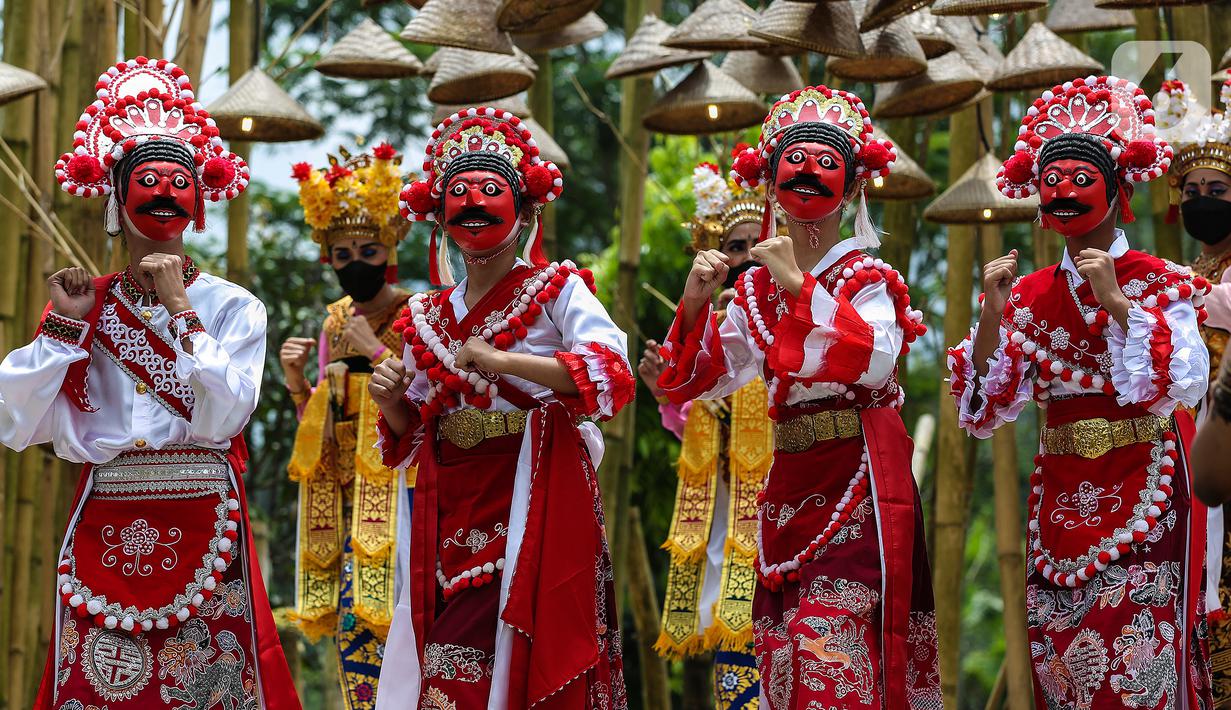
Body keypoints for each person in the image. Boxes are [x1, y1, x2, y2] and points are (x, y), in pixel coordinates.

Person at [0, 57, 299, 709]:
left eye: (177, 180)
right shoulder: (82, 306)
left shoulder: (233, 307)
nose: (163, 191)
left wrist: (182, 313)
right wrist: (64, 331)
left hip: (205, 515)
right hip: (105, 514)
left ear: (199, 195)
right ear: (115, 194)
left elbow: (225, 419)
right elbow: (16, 424)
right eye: (146, 179)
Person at [656, 85, 938, 710]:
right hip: (786, 490)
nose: (808, 171)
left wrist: (793, 280)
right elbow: (694, 383)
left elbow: (875, 360)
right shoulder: (751, 292)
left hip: (859, 480)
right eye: (795, 159)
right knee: (783, 661)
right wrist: (697, 302)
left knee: (832, 654)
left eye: (825, 160)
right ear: (769, 180)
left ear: (854, 184)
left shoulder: (870, 279)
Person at [949, 74, 1213, 709]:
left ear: (1118, 190)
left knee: (1140, 661)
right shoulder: (1030, 294)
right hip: (1060, 496)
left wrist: (1119, 305)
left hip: (1146, 487)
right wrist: (990, 318)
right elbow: (988, 405)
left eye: (1079, 177)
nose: (1063, 191)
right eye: (1052, 179)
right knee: (1065, 662)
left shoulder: (1160, 282)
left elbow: (1185, 381)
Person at [369, 107, 635, 709]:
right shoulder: (424, 315)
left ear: (526, 211)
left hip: (531, 492)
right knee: (448, 649)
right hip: (449, 503)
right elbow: (412, 431)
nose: (474, 204)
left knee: (514, 642)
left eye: (492, 191)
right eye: (458, 193)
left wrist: (509, 363)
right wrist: (390, 404)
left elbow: (608, 370)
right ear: (438, 216)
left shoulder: (557, 289)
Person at [281, 144, 414, 709]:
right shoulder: (334, 318)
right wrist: (295, 382)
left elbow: (428, 408)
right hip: (342, 503)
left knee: (401, 624)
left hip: (403, 499)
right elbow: (319, 428)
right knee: (353, 627)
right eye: (342, 252)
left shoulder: (417, 313)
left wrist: (372, 351)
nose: (354, 260)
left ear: (390, 248)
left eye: (368, 249)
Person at [639, 159, 772, 710]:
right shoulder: (706, 329)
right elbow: (691, 429)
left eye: (752, 244)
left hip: (795, 498)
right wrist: (668, 395)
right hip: (727, 509)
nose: (742, 257)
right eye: (732, 247)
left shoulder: (796, 311)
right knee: (732, 636)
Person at [1159, 77, 1231, 706]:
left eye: (1218, 192)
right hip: (1188, 464)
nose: (1202, 201)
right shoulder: (1182, 279)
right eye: (1191, 192)